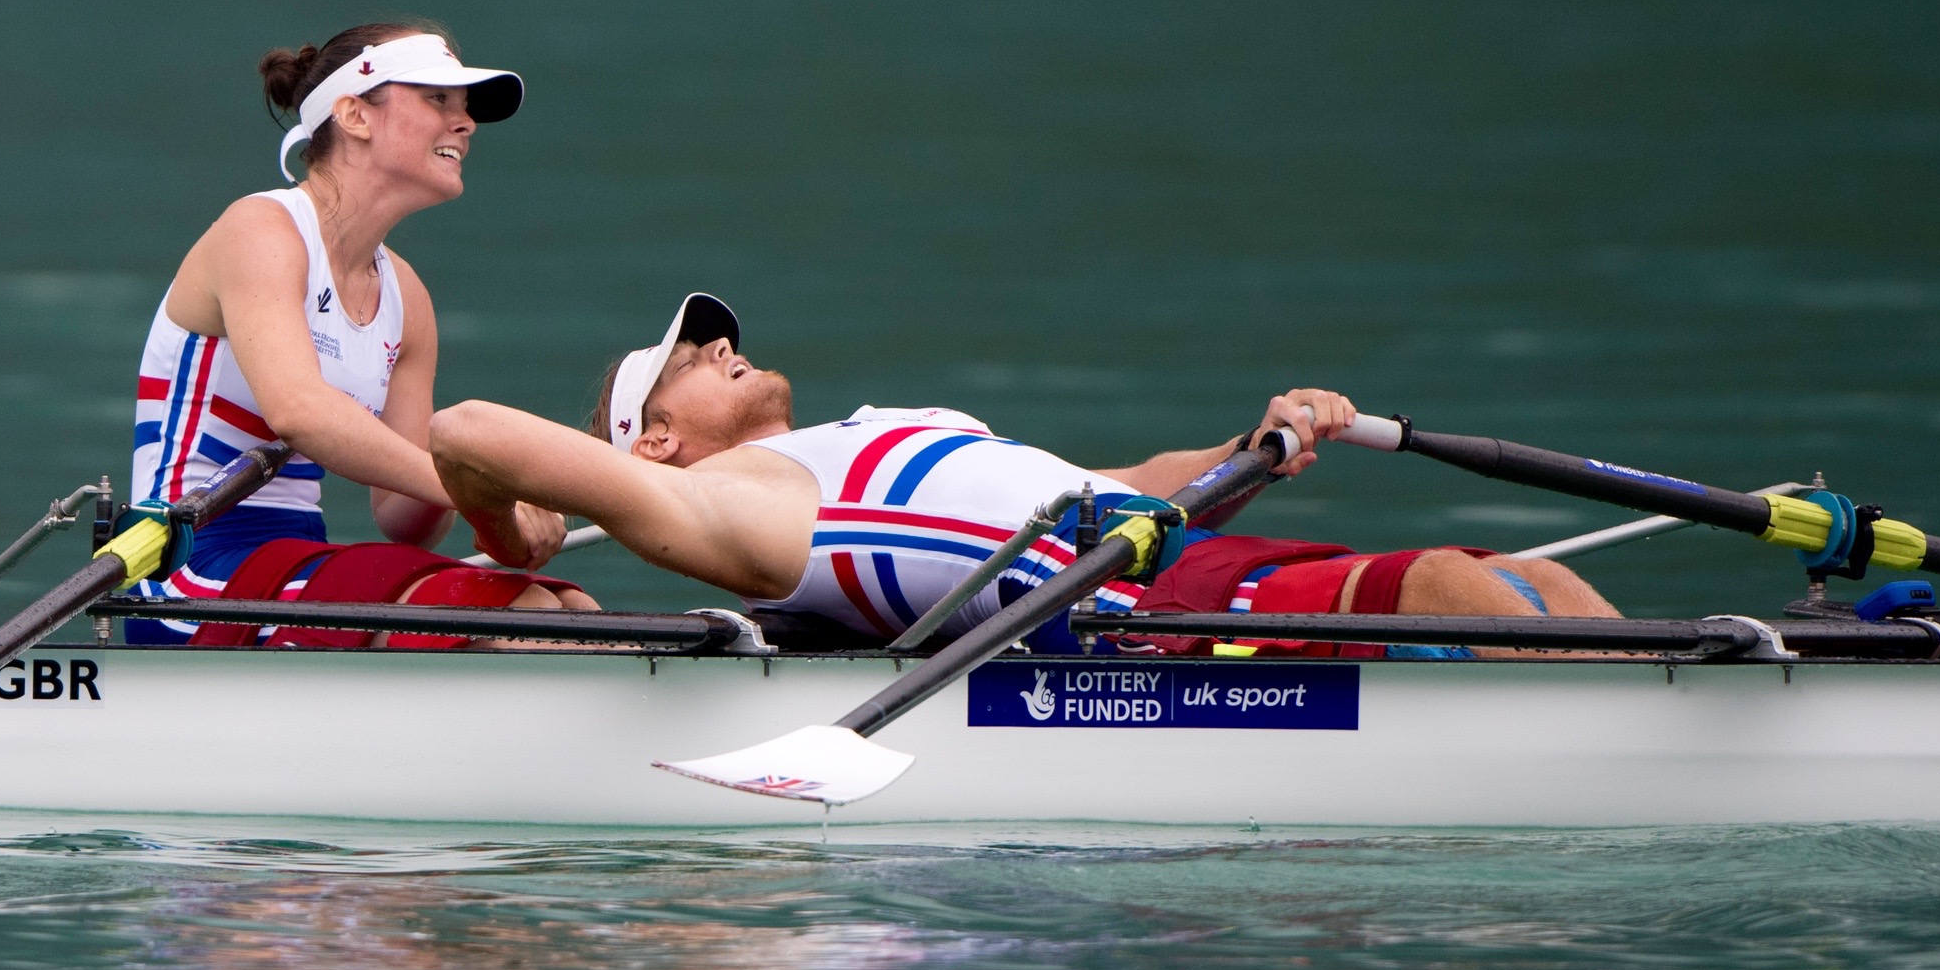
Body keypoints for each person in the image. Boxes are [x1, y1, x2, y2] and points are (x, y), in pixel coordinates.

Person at [428, 293, 1618, 655]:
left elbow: (1128, 474)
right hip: (1115, 624)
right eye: (689, 360)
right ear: (651, 442)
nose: (720, 346)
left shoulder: (894, 425)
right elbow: (469, 426)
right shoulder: (716, 504)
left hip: (1175, 557)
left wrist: (1254, 440)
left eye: (717, 335)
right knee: (1467, 591)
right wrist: (515, 536)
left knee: (1535, 585)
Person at [126, 20, 595, 645]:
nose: (465, 123)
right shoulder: (261, 230)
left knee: (574, 608)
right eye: (438, 100)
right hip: (181, 569)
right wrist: (478, 493)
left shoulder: (408, 299)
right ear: (354, 114)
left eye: (464, 108)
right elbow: (300, 412)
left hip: (292, 564)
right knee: (525, 617)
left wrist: (487, 477)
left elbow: (403, 522)